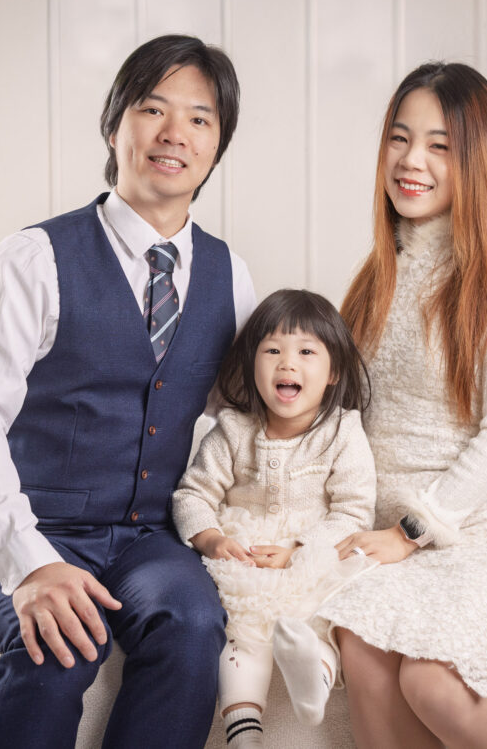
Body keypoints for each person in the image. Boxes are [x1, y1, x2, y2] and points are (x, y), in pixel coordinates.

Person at [0, 34, 256, 748]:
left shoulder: (232, 277)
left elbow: (248, 422)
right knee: (59, 646)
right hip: (29, 526)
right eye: (153, 109)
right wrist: (30, 562)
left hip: (150, 540)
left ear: (217, 145)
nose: (175, 133)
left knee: (195, 626)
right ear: (115, 126)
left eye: (200, 118)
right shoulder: (33, 258)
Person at [315, 62, 487, 749]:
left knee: (431, 683)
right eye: (400, 139)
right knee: (363, 654)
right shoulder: (376, 275)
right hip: (396, 538)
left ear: (476, 160)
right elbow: (344, 419)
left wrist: (409, 532)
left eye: (440, 146)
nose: (411, 161)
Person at [172, 289, 376, 748]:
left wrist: (300, 551)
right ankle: (244, 731)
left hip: (308, 553)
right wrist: (210, 538)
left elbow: (352, 510)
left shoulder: (343, 430)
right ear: (251, 363)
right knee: (241, 631)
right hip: (245, 556)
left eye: (306, 352)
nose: (287, 364)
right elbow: (192, 494)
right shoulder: (233, 429)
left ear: (333, 371)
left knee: (320, 614)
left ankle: (313, 679)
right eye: (272, 351)